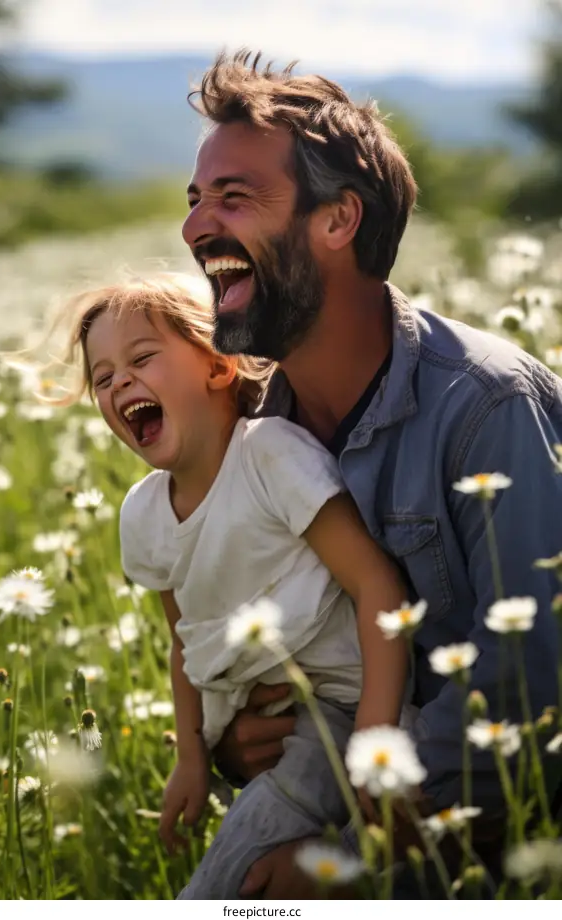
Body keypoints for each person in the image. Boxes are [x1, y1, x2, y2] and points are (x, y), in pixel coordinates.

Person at [181, 50, 562, 897]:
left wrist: (356, 863)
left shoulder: (484, 410)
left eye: (234, 197)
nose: (197, 226)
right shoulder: (249, 437)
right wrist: (239, 734)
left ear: (339, 220)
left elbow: (534, 698)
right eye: (196, 200)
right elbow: (246, 646)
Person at [53, 273, 413, 898]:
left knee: (229, 883)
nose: (120, 383)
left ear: (219, 369)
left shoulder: (269, 455)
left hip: (340, 711)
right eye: (103, 378)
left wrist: (375, 736)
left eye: (141, 359)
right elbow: (182, 644)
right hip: (261, 724)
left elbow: (376, 582)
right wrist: (191, 760)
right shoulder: (141, 516)